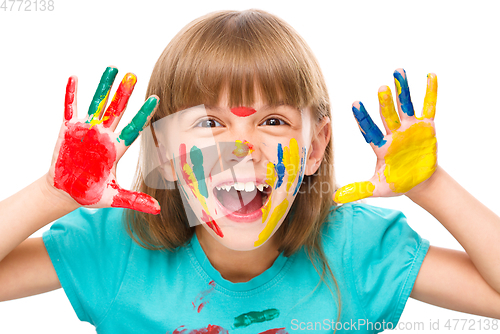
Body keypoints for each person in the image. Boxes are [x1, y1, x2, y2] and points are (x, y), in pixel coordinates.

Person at [1, 9, 499, 334]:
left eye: (274, 121)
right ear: (163, 148)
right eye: (210, 122)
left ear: (316, 146)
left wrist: (432, 186)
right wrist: (54, 193)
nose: (242, 148)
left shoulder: (358, 250)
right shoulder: (119, 251)